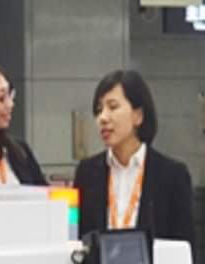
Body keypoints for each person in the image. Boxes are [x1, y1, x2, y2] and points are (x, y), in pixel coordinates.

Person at [74, 70, 194, 252]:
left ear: (138, 115)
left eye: (113, 107)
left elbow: (185, 247)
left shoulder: (171, 175)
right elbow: (78, 238)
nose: (103, 118)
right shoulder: (88, 172)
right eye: (99, 110)